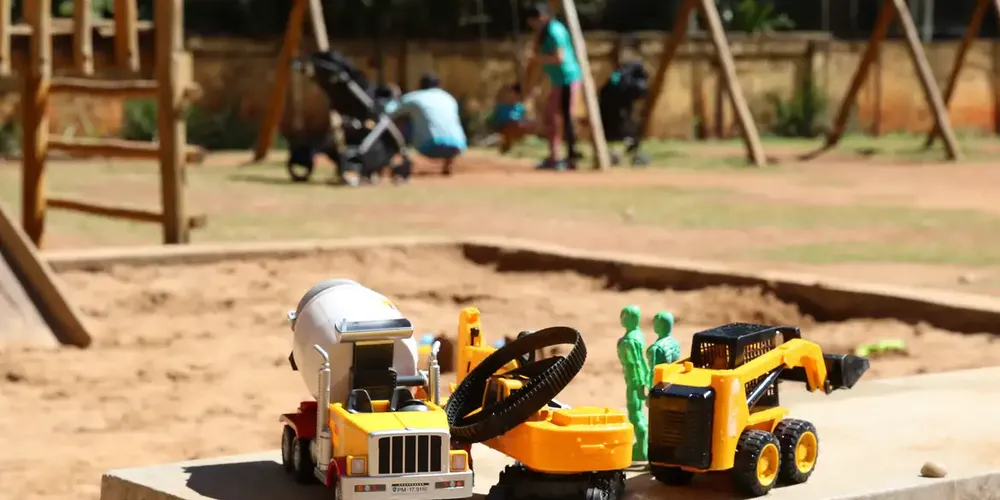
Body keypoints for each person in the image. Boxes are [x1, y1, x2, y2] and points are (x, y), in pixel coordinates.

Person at [526, 3, 583, 170]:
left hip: (568, 78)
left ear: (541, 18)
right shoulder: (545, 32)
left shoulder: (554, 31)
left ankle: (571, 157)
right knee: (552, 117)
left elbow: (559, 58)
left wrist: (536, 59)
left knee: (565, 118)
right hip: (558, 80)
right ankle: (555, 155)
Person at [383, 73, 467, 176]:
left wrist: (393, 96)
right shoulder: (449, 98)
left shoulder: (414, 97)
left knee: (401, 122)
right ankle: (448, 164)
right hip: (457, 146)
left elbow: (388, 111)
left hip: (428, 146)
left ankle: (397, 160)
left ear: (420, 85)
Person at [616, 305, 650, 463]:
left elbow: (635, 362)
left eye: (623, 316)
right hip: (640, 377)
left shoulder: (628, 340)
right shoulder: (638, 334)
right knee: (639, 412)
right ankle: (642, 445)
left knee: (635, 413)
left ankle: (643, 449)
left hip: (633, 378)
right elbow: (642, 361)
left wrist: (640, 380)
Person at [488, 82, 535, 154]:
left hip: (515, 126)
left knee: (528, 123)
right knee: (519, 124)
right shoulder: (501, 107)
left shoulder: (520, 107)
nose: (512, 96)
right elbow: (497, 122)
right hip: (507, 126)